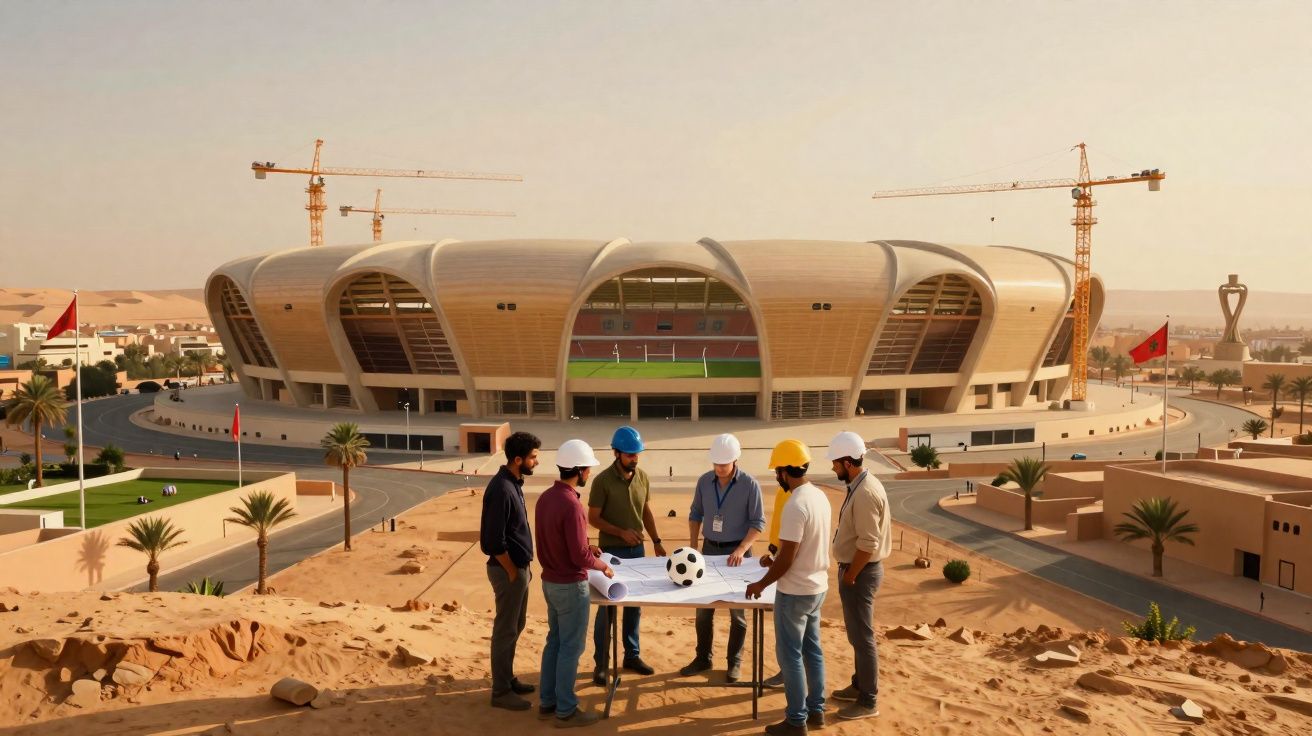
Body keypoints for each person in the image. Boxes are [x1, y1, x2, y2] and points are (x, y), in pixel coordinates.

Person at [747, 439, 832, 736]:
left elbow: (789, 556)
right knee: (813, 650)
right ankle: (816, 711)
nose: (776, 476)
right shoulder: (820, 496)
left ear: (785, 471)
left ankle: (797, 721)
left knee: (792, 655)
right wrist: (775, 563)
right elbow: (804, 549)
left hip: (795, 592)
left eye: (777, 471)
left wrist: (761, 583)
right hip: (817, 587)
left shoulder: (795, 504)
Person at [536, 439, 613, 728]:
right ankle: (566, 710)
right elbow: (579, 556)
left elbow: (558, 541)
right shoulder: (572, 504)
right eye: (587, 469)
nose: (589, 473)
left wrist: (586, 547)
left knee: (554, 641)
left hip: (549, 581)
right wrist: (602, 565)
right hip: (570, 585)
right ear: (579, 470)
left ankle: (548, 701)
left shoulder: (546, 498)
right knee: (571, 647)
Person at [680, 433, 764, 682]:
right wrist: (694, 548)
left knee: (737, 612)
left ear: (735, 460)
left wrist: (740, 549)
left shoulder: (750, 485)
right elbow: (696, 514)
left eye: (723, 464)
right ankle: (702, 658)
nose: (718, 468)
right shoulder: (704, 482)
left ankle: (734, 663)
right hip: (708, 552)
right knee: (703, 609)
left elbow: (758, 523)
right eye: (715, 463)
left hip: (738, 556)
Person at [588, 426, 665, 685]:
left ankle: (632, 656)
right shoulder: (602, 481)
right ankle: (600, 663)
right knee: (607, 610)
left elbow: (645, 511)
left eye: (637, 454)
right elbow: (593, 518)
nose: (635, 458)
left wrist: (656, 541)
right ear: (617, 453)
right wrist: (621, 532)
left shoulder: (642, 477)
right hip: (610, 554)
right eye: (630, 454)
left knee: (634, 607)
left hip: (638, 553)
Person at [826, 431, 891, 721]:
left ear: (848, 463)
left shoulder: (865, 493)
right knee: (856, 635)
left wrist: (851, 575)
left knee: (863, 638)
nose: (832, 468)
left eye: (835, 463)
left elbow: (868, 543)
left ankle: (868, 700)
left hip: (861, 573)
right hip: (857, 571)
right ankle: (858, 685)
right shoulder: (859, 484)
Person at [480, 431, 541, 711]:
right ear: (518, 459)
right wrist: (513, 572)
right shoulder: (501, 488)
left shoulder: (513, 482)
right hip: (508, 571)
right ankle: (501, 691)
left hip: (518, 569)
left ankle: (508, 678)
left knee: (516, 626)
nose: (536, 463)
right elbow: (492, 541)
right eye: (533, 458)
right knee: (505, 630)